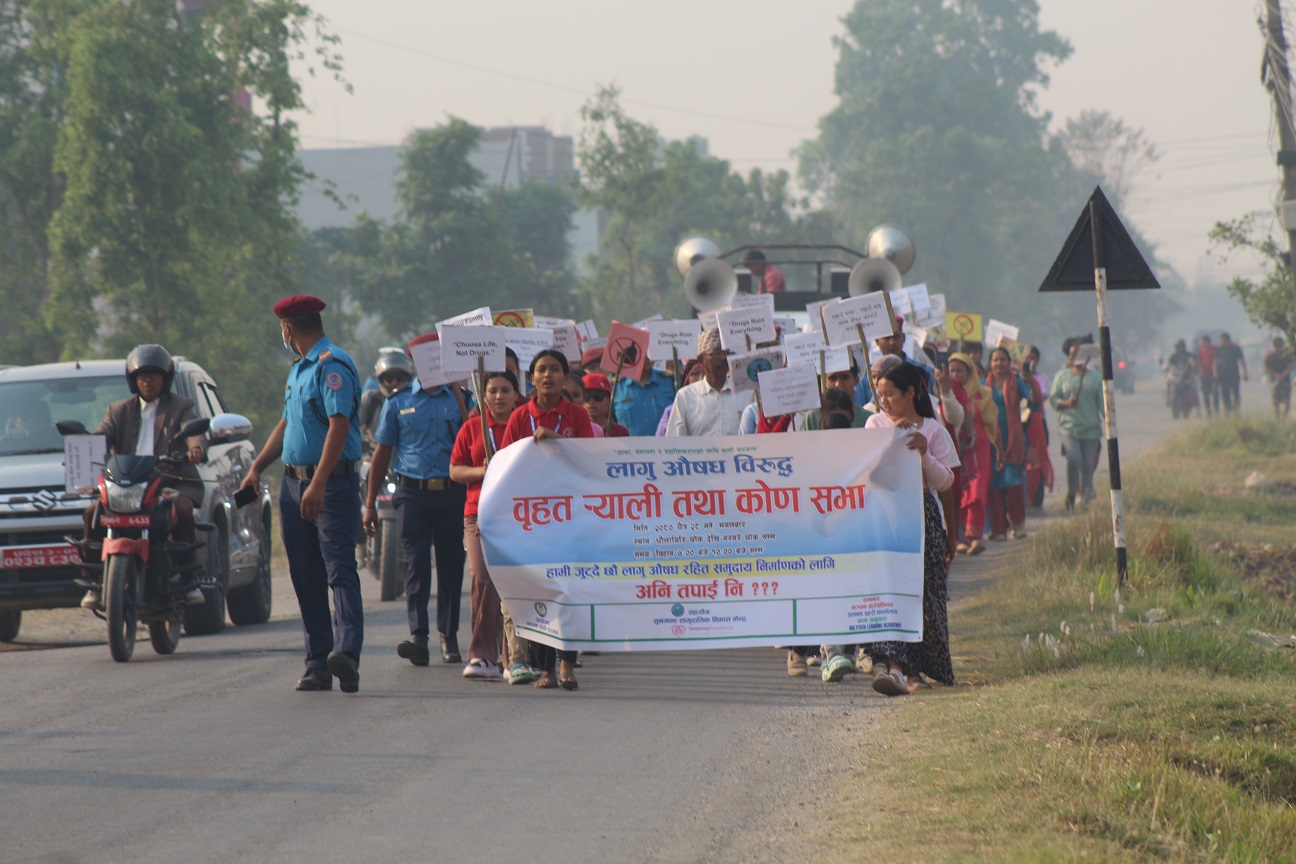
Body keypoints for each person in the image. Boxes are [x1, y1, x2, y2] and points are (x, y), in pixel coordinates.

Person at [240, 295, 364, 694]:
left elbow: (339, 426)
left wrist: (321, 482)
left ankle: (346, 654)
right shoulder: (298, 371)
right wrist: (257, 467)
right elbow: (286, 424)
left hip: (329, 485)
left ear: (288, 329)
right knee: (305, 575)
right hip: (294, 486)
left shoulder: (332, 365)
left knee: (339, 569)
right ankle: (317, 664)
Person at [363, 333, 469, 667]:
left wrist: (460, 393)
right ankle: (419, 637)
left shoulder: (463, 398)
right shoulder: (397, 402)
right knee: (417, 565)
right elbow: (382, 454)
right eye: (425, 357)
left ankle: (448, 636)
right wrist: (368, 503)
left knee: (452, 566)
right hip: (411, 494)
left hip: (452, 492)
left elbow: (476, 438)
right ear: (415, 363)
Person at [79, 344, 208, 610]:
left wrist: (196, 448)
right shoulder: (118, 410)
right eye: (142, 375)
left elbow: (193, 430)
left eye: (154, 375)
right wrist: (82, 447)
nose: (148, 380)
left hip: (169, 484)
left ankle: (189, 579)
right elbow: (100, 437)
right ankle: (94, 580)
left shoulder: (182, 406)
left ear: (166, 378)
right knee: (92, 512)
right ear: (133, 380)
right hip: (126, 486)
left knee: (182, 510)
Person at [499, 349, 594, 690]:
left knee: (567, 590)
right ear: (532, 377)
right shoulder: (519, 416)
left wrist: (558, 445)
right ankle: (546, 669)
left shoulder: (576, 416)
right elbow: (505, 465)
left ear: (565, 377)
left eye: (555, 369)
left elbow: (588, 462)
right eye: (542, 370)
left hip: (569, 518)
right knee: (538, 590)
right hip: (531, 520)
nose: (548, 375)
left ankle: (567, 662)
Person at [862, 361, 959, 695]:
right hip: (885, 514)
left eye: (891, 394)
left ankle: (916, 669)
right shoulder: (874, 424)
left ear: (911, 393)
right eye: (881, 394)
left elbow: (945, 481)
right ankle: (894, 666)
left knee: (923, 592)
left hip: (922, 513)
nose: (884, 400)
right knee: (888, 589)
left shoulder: (933, 429)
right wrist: (893, 439)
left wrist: (923, 452)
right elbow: (868, 473)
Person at [450, 370, 529, 682]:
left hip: (516, 514)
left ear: (516, 394)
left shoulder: (524, 425)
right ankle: (482, 655)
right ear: (483, 396)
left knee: (511, 581)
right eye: (493, 390)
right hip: (478, 514)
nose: (499, 396)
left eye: (505, 390)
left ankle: (513, 658)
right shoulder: (472, 428)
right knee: (482, 578)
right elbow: (455, 470)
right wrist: (481, 471)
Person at [985, 346, 1039, 541]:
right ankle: (998, 529)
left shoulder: (1017, 383)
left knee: (1015, 485)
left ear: (1010, 363)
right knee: (994, 486)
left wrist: (1032, 385)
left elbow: (1033, 404)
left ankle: (1018, 524)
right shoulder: (983, 385)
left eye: (1003, 360)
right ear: (990, 364)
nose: (999, 363)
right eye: (995, 360)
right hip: (991, 443)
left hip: (1013, 442)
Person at [947, 352, 996, 555]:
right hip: (958, 450)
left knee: (977, 493)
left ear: (970, 371)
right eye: (952, 371)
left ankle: (975, 536)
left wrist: (999, 448)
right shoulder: (949, 394)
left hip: (980, 449)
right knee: (961, 493)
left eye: (960, 370)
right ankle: (961, 539)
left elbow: (991, 422)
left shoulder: (982, 394)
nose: (956, 374)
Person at [1050, 338, 1105, 511]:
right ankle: (1072, 491)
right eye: (1073, 354)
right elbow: (1053, 399)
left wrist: (1109, 417)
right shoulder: (1061, 376)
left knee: (1088, 465)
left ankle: (1085, 499)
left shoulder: (1095, 378)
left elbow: (1102, 404)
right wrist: (1065, 403)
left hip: (1091, 428)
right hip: (1069, 427)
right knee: (1074, 459)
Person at [665, 329, 754, 437]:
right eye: (716, 353)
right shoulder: (685, 396)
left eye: (726, 353)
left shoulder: (747, 392)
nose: (723, 358)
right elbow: (674, 441)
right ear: (701, 360)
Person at [359, 350, 415, 458]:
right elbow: (350, 424)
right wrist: (358, 443)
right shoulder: (371, 399)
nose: (394, 382)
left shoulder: (417, 401)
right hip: (373, 457)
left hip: (406, 461)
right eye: (389, 378)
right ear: (381, 379)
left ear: (408, 378)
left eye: (399, 378)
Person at [1022, 346, 1054, 511]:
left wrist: (1031, 380)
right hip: (1020, 425)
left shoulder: (1041, 378)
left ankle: (1037, 498)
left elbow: (1044, 395)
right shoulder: (1014, 377)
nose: (1029, 361)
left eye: (1033, 358)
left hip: (1038, 423)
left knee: (1038, 460)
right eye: (1027, 357)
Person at [613, 363, 676, 437]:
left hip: (665, 447)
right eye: (643, 353)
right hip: (628, 447)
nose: (646, 357)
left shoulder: (671, 382)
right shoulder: (616, 387)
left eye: (648, 353)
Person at [1213, 332, 1248, 413]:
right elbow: (1215, 363)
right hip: (1223, 376)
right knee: (1225, 395)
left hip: (1234, 375)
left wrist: (1245, 373)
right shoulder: (1219, 349)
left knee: (1236, 393)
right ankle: (1227, 411)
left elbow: (1242, 361)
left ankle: (1236, 410)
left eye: (1222, 340)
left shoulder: (1236, 349)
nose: (1221, 342)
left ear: (1226, 340)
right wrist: (1215, 374)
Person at [1263, 336, 1293, 421]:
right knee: (1286, 400)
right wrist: (1283, 375)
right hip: (1285, 380)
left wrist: (1275, 375)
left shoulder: (1268, 355)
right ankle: (1283, 418)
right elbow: (1290, 366)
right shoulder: (1287, 355)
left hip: (1273, 381)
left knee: (1275, 401)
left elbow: (1265, 368)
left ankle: (1277, 418)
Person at [1197, 335, 1219, 417]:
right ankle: (1208, 410)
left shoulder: (1215, 349)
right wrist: (1200, 370)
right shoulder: (1201, 351)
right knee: (1205, 395)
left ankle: (1216, 410)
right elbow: (1199, 362)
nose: (1201, 344)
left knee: (1215, 393)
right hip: (1204, 376)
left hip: (1214, 375)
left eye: (1202, 342)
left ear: (1207, 342)